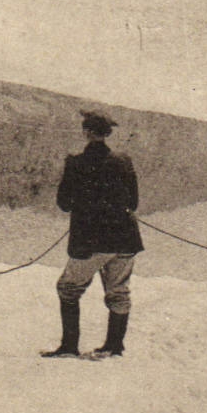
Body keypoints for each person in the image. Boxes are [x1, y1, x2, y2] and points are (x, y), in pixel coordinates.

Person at [43, 111, 143, 358]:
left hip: (91, 240)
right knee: (119, 292)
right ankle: (114, 346)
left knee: (68, 288)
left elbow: (64, 203)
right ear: (106, 134)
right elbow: (134, 201)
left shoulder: (76, 163)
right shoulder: (124, 161)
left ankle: (69, 346)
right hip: (125, 238)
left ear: (87, 133)